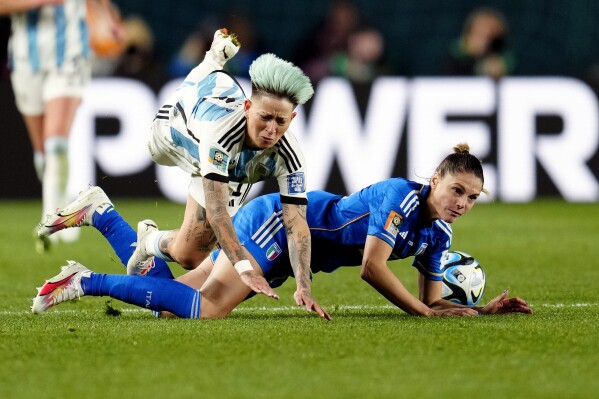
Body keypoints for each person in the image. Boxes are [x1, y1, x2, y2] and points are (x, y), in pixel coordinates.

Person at [33, 144, 532, 318]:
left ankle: (102, 214)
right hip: (279, 223)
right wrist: (424, 313)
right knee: (206, 310)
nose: (462, 203)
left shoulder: (439, 236)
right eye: (457, 190)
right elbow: (371, 268)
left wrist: (478, 311)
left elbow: (433, 301)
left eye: (471, 197)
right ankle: (83, 281)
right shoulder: (402, 196)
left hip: (293, 250)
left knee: (173, 298)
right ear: (435, 179)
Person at [38, 27, 318, 303]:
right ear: (248, 109)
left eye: (280, 121)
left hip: (222, 135)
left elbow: (297, 225)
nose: (271, 129)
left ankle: (129, 229)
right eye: (265, 117)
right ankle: (212, 61)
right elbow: (218, 214)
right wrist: (245, 269)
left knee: (190, 257)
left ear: (292, 119)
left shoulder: (289, 153)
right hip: (171, 132)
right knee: (209, 205)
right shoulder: (219, 136)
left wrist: (303, 286)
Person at [0, 0, 123, 253]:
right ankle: (59, 211)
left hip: (71, 52)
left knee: (56, 143)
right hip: (26, 59)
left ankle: (53, 222)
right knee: (43, 154)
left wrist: (108, 18)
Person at [444, 7, 515, 79]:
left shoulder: (506, 58)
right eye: (479, 34)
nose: (484, 41)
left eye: (490, 36)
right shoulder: (454, 55)